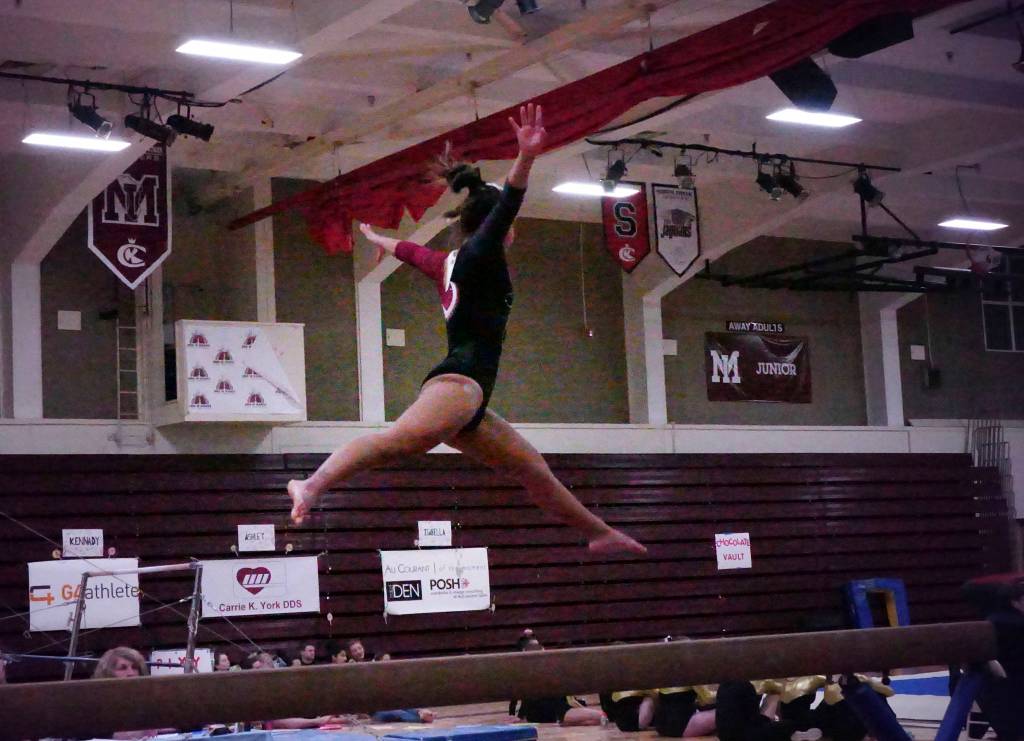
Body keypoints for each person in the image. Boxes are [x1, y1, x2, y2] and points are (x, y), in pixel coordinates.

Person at [286, 104, 644, 558]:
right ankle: (312, 484)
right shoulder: (479, 255)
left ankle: (598, 532)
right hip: (459, 385)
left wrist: (381, 241)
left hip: (468, 398)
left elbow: (413, 252)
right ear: (500, 230)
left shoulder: (449, 262)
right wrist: (526, 157)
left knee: (534, 471)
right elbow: (509, 199)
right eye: (507, 227)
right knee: (394, 443)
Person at [509, 635, 606, 726]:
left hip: (555, 712)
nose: (541, 649)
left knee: (596, 718)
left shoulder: (547, 670)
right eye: (535, 647)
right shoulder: (528, 675)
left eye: (540, 647)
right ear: (524, 651)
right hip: (553, 713)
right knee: (599, 717)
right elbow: (520, 704)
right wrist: (519, 717)